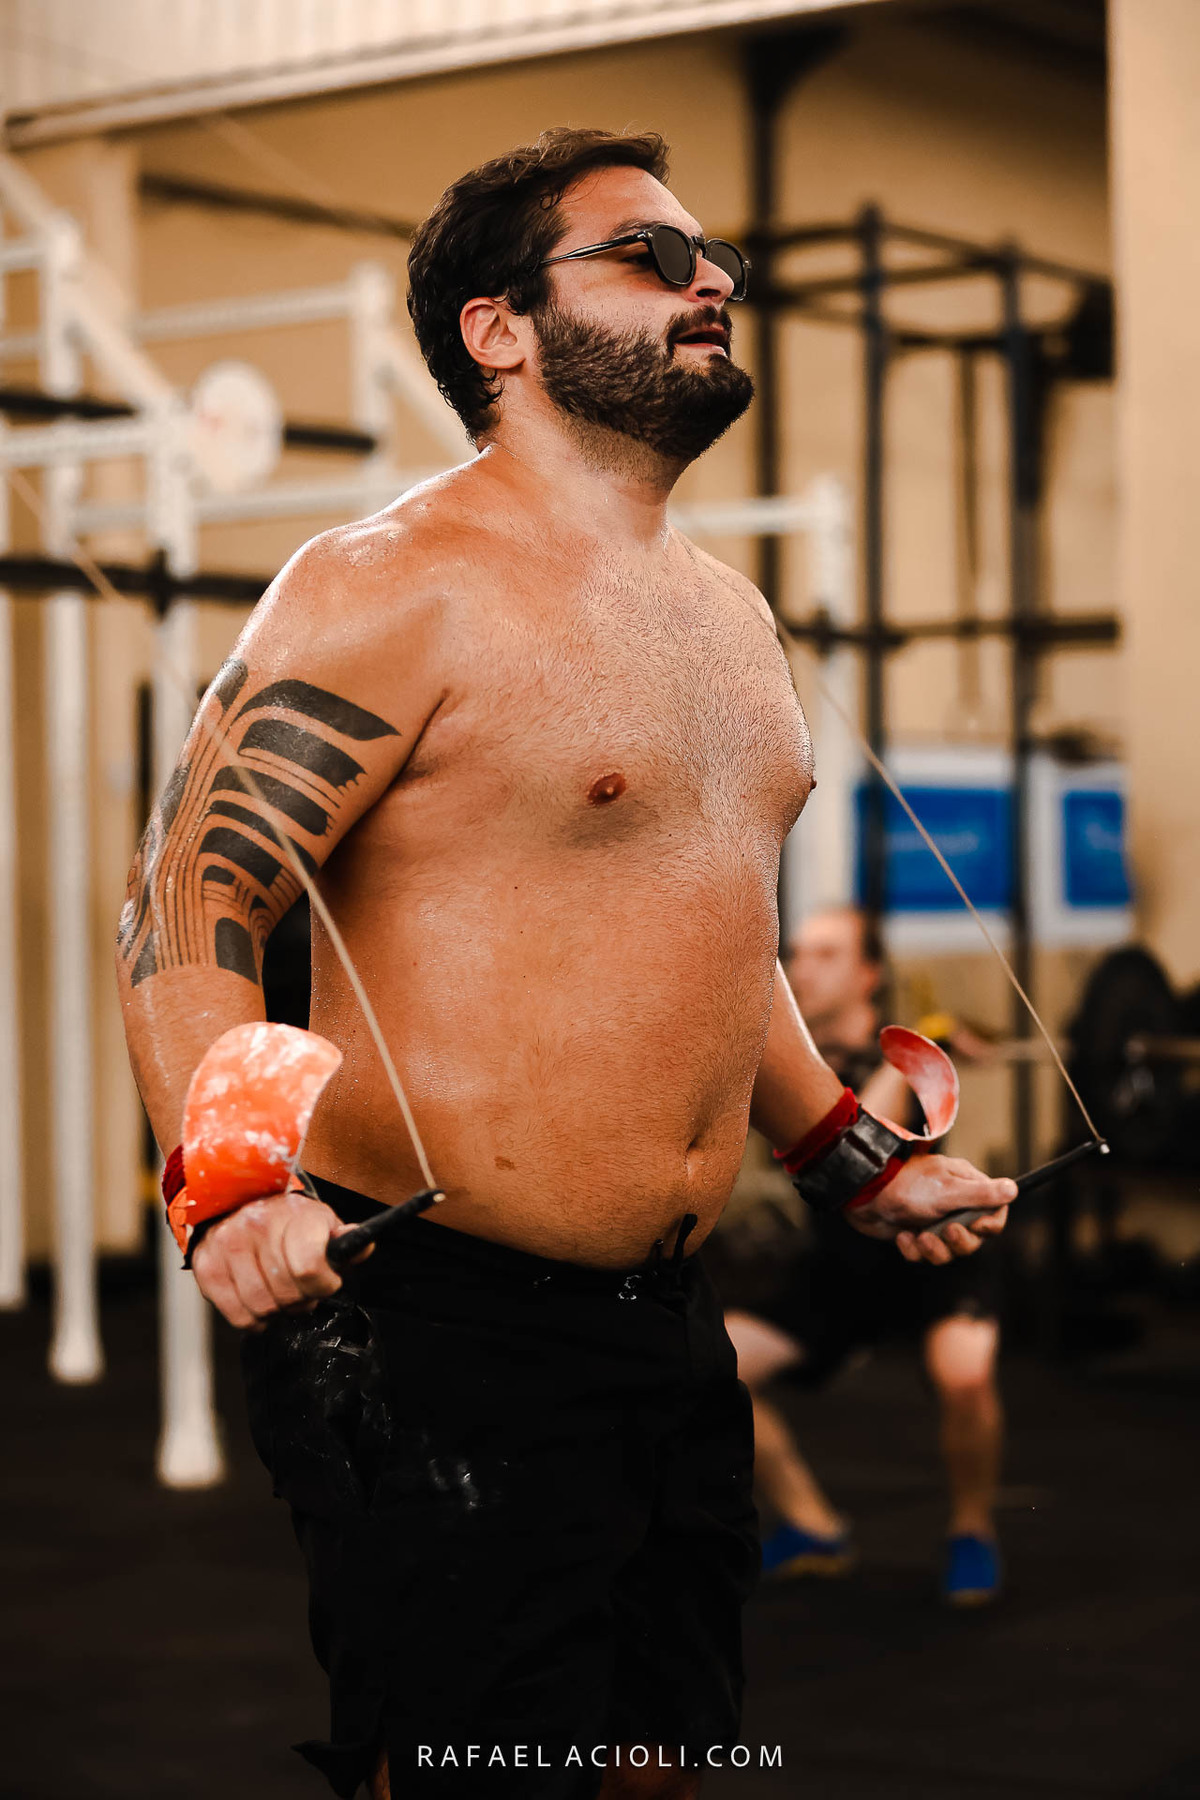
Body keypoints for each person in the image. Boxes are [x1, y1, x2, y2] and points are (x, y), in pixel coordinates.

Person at [117, 129, 1014, 1800]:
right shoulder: (386, 585)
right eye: (650, 257)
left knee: (660, 1766)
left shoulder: (730, 619)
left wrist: (851, 1156)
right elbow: (191, 892)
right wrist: (231, 1180)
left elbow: (717, 941)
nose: (711, 281)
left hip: (664, 1322)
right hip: (438, 1329)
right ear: (500, 330)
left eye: (715, 257)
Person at [723, 907, 1004, 1606]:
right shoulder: (786, 1067)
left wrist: (924, 1042)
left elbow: (866, 1142)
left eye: (827, 954)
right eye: (798, 953)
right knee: (715, 1367)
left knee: (966, 1376)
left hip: (929, 1255)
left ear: (868, 974)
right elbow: (829, 1137)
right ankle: (813, 1525)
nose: (803, 968)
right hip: (841, 1267)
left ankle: (972, 1531)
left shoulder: (905, 1053)